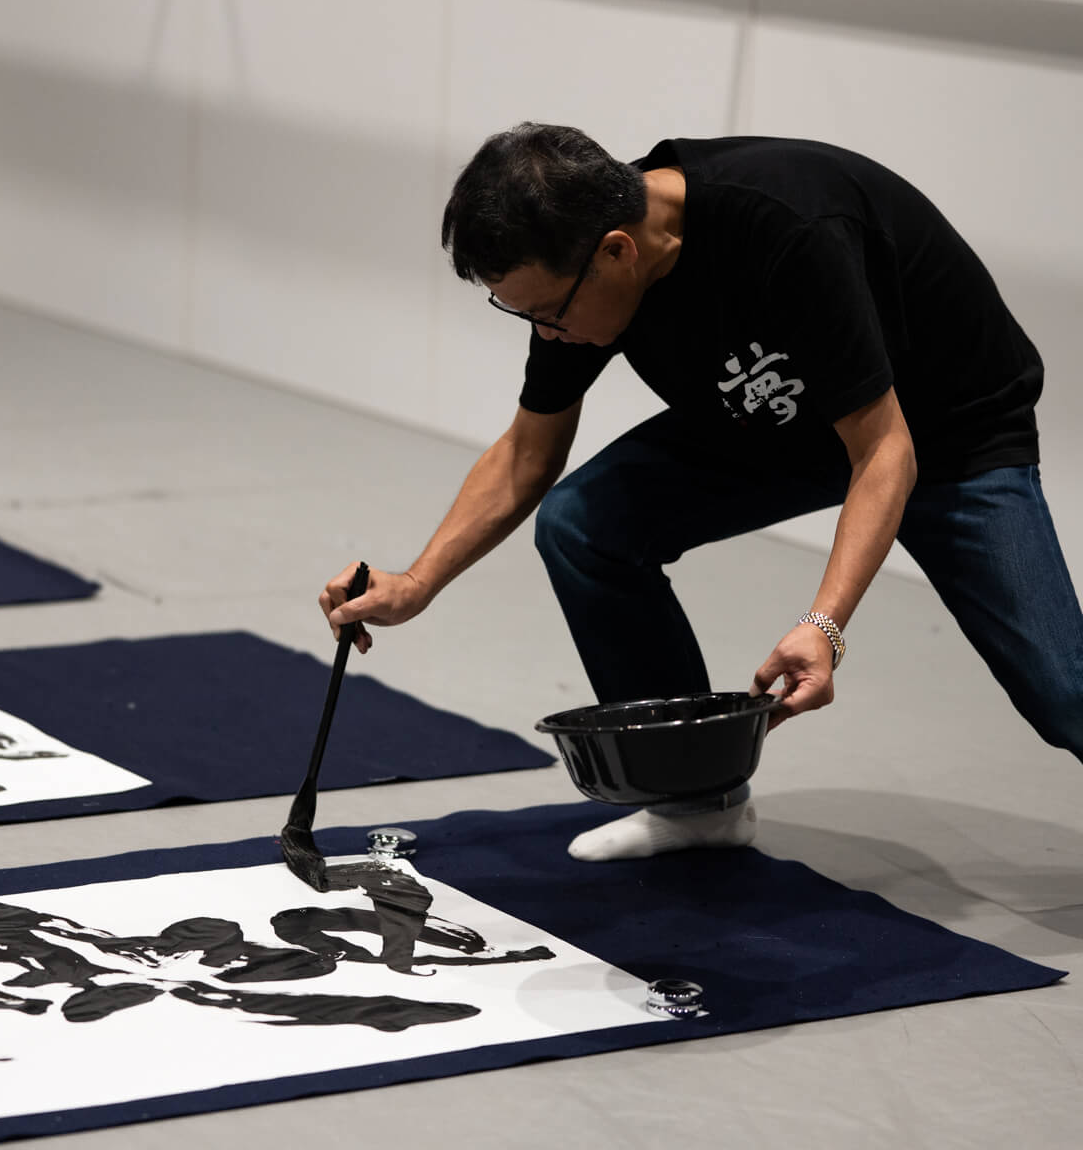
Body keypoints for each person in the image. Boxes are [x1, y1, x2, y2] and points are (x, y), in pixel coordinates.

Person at [321, 123, 1083, 862]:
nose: (545, 334)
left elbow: (885, 450)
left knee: (1061, 691)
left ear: (618, 252)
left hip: (944, 431)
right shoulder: (578, 252)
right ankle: (695, 805)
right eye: (522, 315)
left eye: (547, 315)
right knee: (583, 524)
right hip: (778, 419)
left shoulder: (787, 227)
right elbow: (528, 451)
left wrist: (824, 626)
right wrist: (417, 583)